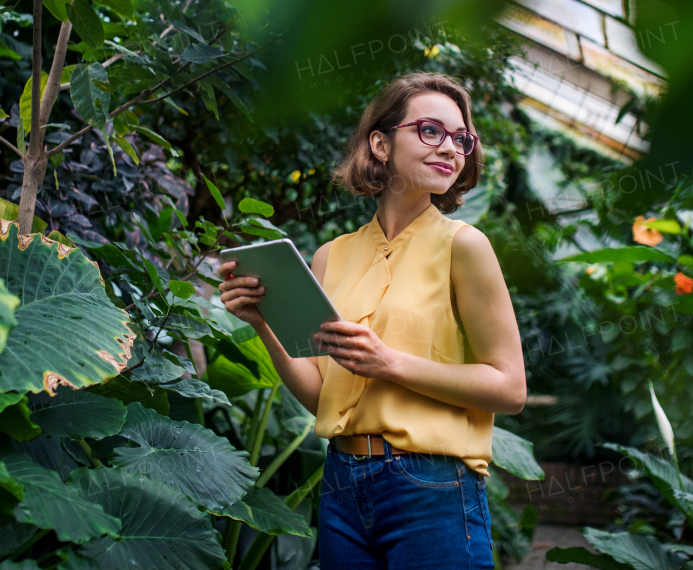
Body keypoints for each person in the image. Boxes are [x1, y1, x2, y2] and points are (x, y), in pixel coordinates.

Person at [218, 72, 526, 570]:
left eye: (462, 138)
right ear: (380, 143)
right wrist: (262, 323)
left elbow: (510, 388)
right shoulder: (329, 257)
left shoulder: (465, 247)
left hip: (433, 486)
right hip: (341, 482)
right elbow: (322, 396)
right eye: (431, 130)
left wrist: (389, 363)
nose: (451, 147)